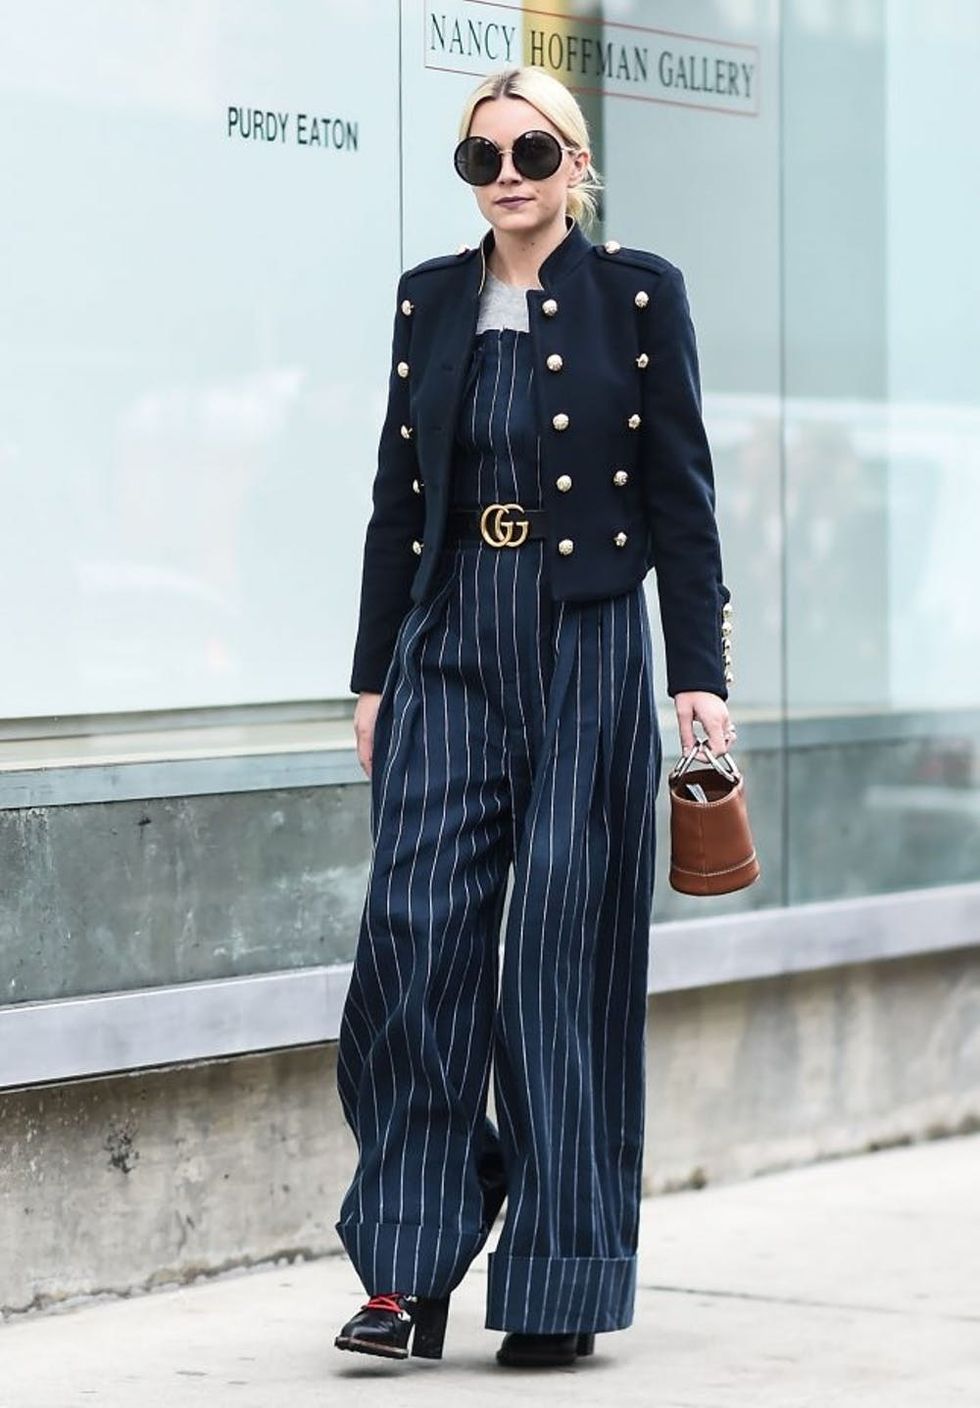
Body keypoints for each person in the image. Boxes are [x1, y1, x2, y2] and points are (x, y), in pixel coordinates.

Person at [333, 64, 735, 1370]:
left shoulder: (637, 295)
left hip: (589, 643)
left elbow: (684, 497)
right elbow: (400, 497)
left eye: (531, 150)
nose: (507, 172)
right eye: (483, 156)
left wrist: (701, 679)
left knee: (564, 959)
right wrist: (373, 673)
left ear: (576, 162)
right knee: (411, 942)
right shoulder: (431, 299)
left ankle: (560, 1278)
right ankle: (405, 1263)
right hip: (450, 638)